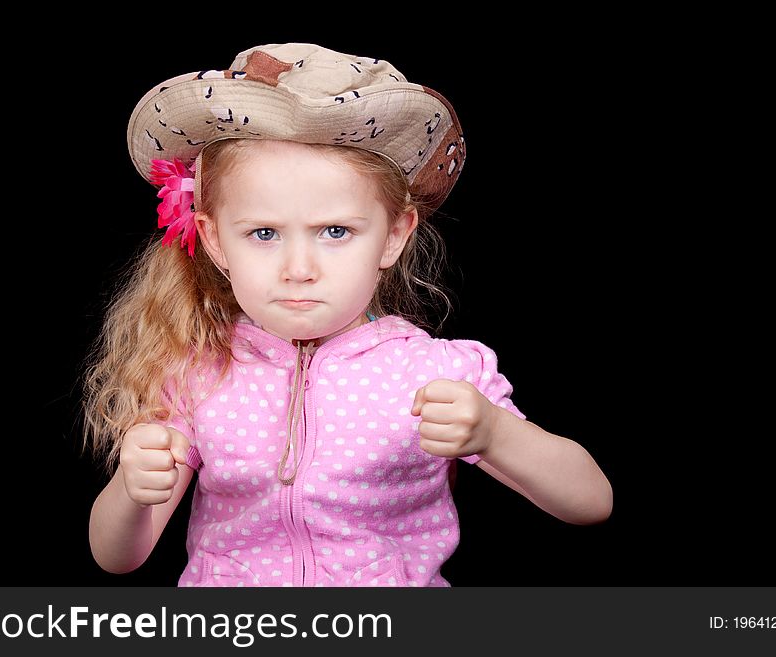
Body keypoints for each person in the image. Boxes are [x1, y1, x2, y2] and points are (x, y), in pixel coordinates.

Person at [85, 43, 612, 587]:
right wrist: (131, 485)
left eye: (335, 232)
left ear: (394, 235)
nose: (299, 268)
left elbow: (590, 501)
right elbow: (117, 555)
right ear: (215, 239)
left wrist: (495, 433)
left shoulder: (433, 373)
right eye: (263, 234)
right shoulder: (198, 373)